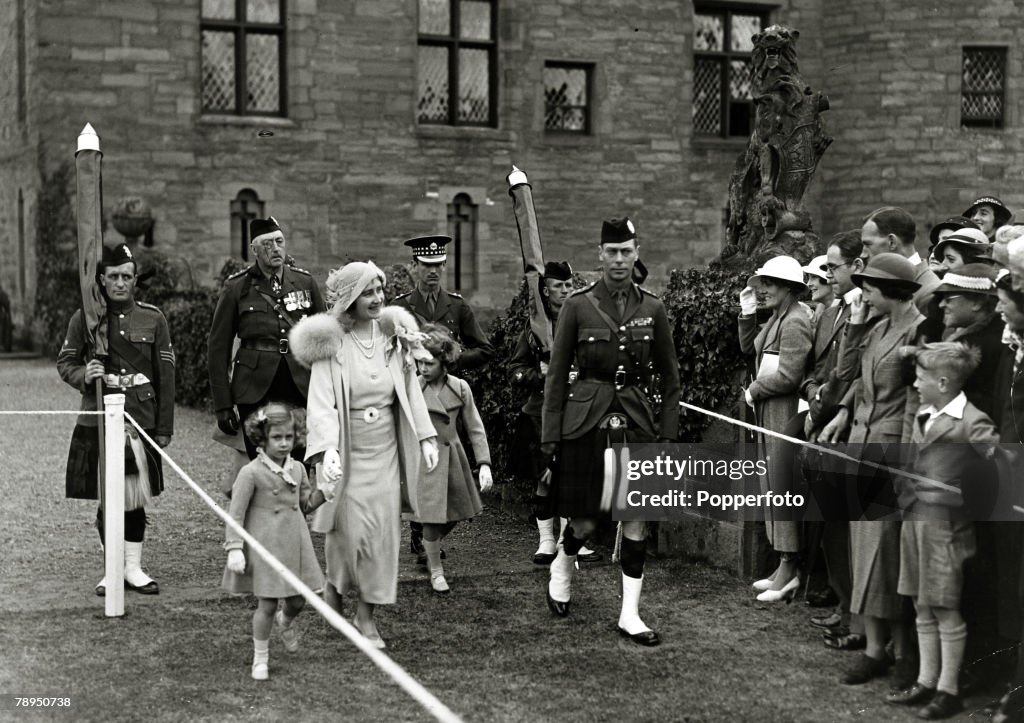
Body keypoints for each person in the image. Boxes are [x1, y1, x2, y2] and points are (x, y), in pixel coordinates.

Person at [541, 217, 681, 646]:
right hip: (586, 422)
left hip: (637, 423)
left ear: (636, 253)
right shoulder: (578, 306)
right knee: (584, 521)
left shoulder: (653, 308)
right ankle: (563, 564)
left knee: (635, 518)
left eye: (626, 251)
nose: (619, 260)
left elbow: (671, 380)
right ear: (600, 255)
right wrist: (550, 440)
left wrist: (668, 438)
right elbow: (557, 375)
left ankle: (630, 614)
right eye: (612, 252)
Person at [290, 261, 438, 649]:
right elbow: (320, 403)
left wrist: (425, 437)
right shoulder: (332, 344)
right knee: (347, 534)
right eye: (368, 292)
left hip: (386, 453)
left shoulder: (394, 336)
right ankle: (335, 591)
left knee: (381, 536)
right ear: (351, 299)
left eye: (380, 290)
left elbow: (410, 391)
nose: (377, 299)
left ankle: (367, 617)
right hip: (349, 456)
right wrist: (328, 451)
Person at [820, 252, 925, 687]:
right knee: (865, 555)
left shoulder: (918, 331)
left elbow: (911, 404)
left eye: (869, 286)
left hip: (890, 454)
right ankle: (875, 650)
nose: (862, 292)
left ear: (892, 290)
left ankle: (902, 655)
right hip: (861, 449)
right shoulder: (877, 326)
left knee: (889, 559)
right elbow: (848, 376)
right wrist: (859, 325)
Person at [886, 342, 999, 720]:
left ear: (944, 381)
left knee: (945, 607)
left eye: (920, 377)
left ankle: (948, 690)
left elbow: (1001, 467)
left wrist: (967, 492)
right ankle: (926, 680)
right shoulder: (925, 411)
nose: (915, 383)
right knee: (921, 602)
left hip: (946, 530)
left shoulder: (972, 421)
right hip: (916, 523)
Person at [58, 242, 175, 596]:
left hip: (139, 418)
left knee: (134, 497)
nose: (120, 283)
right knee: (108, 497)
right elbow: (66, 363)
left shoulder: (153, 318)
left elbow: (165, 375)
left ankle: (134, 569)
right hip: (98, 416)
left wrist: (164, 427)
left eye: (127, 276)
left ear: (135, 280)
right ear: (102, 281)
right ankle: (113, 568)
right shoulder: (86, 318)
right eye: (113, 277)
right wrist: (85, 373)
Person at [393, 235, 494, 557]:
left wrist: (449, 357)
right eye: (426, 265)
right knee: (417, 465)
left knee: (446, 469)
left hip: (447, 400)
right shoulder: (401, 307)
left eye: (438, 265)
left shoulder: (457, 306)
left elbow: (484, 350)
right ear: (414, 267)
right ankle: (419, 534)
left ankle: (432, 534)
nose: (433, 271)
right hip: (414, 394)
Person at [222, 403, 326, 681]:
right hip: (265, 546)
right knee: (266, 605)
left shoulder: (299, 470)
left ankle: (286, 621)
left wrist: (326, 492)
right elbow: (236, 514)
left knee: (297, 601)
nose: (283, 444)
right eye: (277, 438)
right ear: (262, 438)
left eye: (288, 438)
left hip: (294, 544)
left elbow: (305, 504)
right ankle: (261, 658)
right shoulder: (251, 473)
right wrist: (234, 548)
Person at [208, 216, 326, 459]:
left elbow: (324, 337)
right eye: (267, 244)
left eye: (279, 242)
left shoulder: (304, 282)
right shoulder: (237, 288)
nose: (275, 249)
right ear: (254, 250)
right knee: (261, 460)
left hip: (299, 383)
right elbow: (218, 347)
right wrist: (223, 404)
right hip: (254, 386)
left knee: (299, 458)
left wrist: (327, 392)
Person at [508, 261, 600, 565]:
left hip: (578, 410)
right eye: (559, 286)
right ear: (545, 292)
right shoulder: (535, 329)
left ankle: (571, 538)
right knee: (546, 477)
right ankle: (546, 539)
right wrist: (539, 374)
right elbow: (515, 370)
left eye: (569, 284)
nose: (565, 290)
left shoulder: (584, 321)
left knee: (575, 474)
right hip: (542, 411)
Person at [738, 256, 813, 601]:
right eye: (761, 283)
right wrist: (748, 315)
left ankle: (789, 569)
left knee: (782, 485)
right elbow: (749, 350)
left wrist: (754, 391)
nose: (762, 289)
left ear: (790, 288)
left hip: (783, 413)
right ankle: (782, 566)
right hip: (769, 413)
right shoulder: (778, 319)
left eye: (769, 284)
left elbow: (790, 376)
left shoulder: (795, 321)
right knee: (772, 485)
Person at [414, 324, 493, 593]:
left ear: (444, 361)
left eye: (429, 363)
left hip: (453, 457)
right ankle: (436, 571)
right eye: (419, 362)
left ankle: (429, 545)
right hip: (425, 459)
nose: (423, 368)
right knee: (431, 518)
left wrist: (484, 463)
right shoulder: (412, 388)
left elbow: (475, 427)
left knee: (459, 512)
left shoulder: (460, 388)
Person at [933, 264, 1003, 418]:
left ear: (977, 302)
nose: (941, 304)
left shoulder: (977, 347)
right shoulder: (997, 335)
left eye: (948, 299)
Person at [861, 206, 941, 312]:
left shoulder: (929, 292)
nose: (863, 254)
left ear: (892, 242)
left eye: (868, 244)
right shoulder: (881, 283)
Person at [802, 254, 835, 320]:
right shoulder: (821, 309)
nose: (808, 284)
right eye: (808, 278)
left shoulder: (848, 310)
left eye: (814, 277)